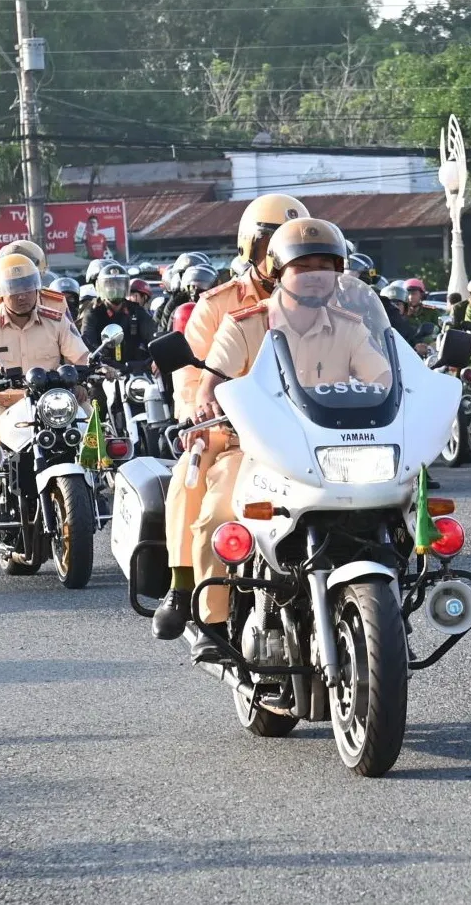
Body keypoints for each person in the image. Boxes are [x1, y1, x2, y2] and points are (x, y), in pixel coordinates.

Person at [170, 219, 389, 646]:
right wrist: (206, 404)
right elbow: (211, 381)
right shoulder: (244, 323)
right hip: (254, 450)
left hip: (333, 449)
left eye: (325, 269)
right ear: (278, 272)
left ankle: (389, 608)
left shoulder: (350, 325)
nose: (315, 279)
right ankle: (210, 625)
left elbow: (383, 378)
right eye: (303, 269)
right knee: (215, 514)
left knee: (392, 504)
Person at [154, 193, 309, 638]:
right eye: (272, 247)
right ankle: (194, 598)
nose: (283, 259)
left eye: (294, 247)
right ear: (252, 249)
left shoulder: (331, 305)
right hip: (238, 435)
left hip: (313, 436)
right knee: (203, 487)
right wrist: (197, 410)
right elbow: (191, 373)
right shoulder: (220, 305)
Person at [0, 253, 89, 501]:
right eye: (13, 289)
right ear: (0, 291)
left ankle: (95, 488)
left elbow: (81, 356)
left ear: (37, 288)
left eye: (27, 288)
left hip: (49, 401)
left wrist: (85, 376)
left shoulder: (55, 320)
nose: (21, 295)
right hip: (2, 402)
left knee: (90, 424)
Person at [81, 263, 150, 366]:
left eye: (119, 284)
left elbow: (152, 335)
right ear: (101, 287)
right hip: (103, 372)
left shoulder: (136, 310)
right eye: (110, 284)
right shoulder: (92, 312)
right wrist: (101, 362)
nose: (115, 288)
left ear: (126, 286)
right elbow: (87, 341)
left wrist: (154, 358)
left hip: (136, 371)